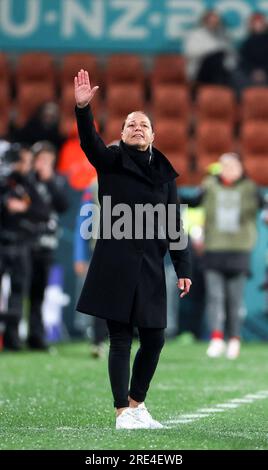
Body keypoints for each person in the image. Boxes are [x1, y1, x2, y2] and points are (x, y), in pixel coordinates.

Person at [74, 69, 192, 429]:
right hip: (115, 262)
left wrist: (183, 267)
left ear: (153, 135)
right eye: (130, 125)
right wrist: (82, 110)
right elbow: (89, 142)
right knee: (121, 338)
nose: (137, 127)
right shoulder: (110, 161)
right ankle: (121, 412)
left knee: (155, 338)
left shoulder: (165, 173)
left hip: (151, 267)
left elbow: (174, 223)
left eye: (143, 124)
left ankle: (136, 402)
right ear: (121, 135)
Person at [180, 153, 259, 359]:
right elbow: (194, 201)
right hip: (214, 248)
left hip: (239, 250)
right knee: (215, 297)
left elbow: (263, 205)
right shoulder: (210, 185)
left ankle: (234, 339)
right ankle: (216, 338)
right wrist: (169, 193)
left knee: (234, 299)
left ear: (241, 168)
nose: (229, 170)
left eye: (233, 166)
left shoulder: (249, 188)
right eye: (225, 166)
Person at [27, 141, 69, 350]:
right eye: (41, 159)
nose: (45, 163)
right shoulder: (26, 180)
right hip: (24, 242)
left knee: (38, 292)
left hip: (46, 244)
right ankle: (11, 335)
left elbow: (63, 205)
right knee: (17, 290)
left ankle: (35, 336)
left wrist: (50, 180)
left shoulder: (57, 181)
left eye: (48, 160)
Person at [184, 10, 236, 87]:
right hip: (200, 69)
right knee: (216, 55)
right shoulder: (196, 34)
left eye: (216, 22)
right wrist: (212, 50)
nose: (213, 24)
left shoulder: (224, 36)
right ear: (205, 21)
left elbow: (231, 56)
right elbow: (190, 53)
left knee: (222, 58)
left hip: (222, 70)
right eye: (210, 21)